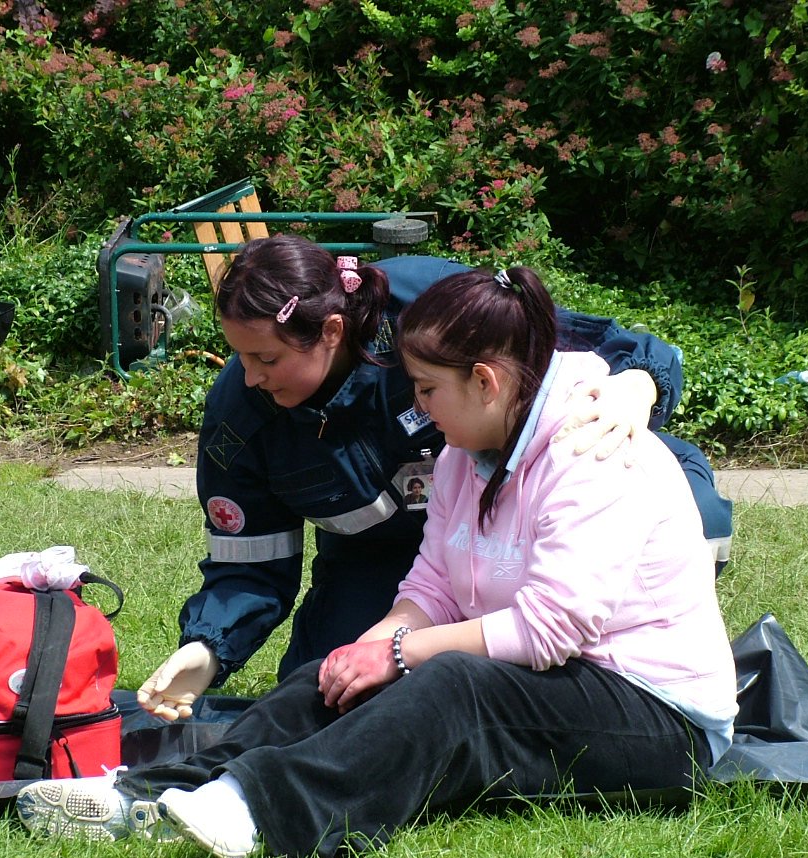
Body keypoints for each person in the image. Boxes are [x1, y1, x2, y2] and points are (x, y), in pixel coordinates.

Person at [16, 265, 739, 858]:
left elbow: (552, 630)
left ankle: (255, 807)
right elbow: (430, 583)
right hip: (556, 682)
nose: (418, 408)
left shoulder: (588, 450)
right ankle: (146, 793)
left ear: (487, 382)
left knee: (451, 684)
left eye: (427, 390)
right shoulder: (466, 453)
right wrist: (375, 644)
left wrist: (401, 650)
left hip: (658, 718)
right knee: (338, 671)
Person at [139, 234, 732, 723]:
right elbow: (251, 562)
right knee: (333, 691)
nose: (249, 379)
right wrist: (207, 647)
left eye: (267, 359)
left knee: (516, 658)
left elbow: (581, 343)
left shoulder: (425, 309)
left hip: (535, 530)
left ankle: (632, 669)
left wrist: (637, 387)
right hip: (397, 562)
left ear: (331, 332)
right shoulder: (240, 420)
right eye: (239, 357)